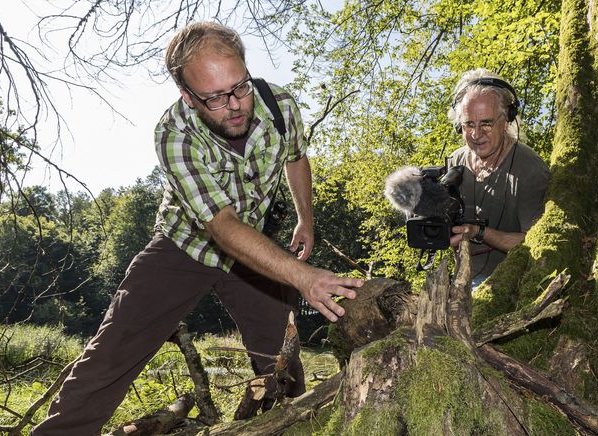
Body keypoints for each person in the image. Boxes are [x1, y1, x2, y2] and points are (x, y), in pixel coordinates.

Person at [31, 21, 363, 435]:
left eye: (240, 86)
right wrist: (303, 278)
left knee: (282, 362)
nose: (237, 104)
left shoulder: (279, 105)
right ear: (188, 97)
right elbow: (221, 226)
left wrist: (305, 218)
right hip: (184, 247)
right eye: (216, 98)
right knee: (111, 353)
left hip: (253, 250)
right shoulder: (174, 135)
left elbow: (296, 157)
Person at [447, 69, 550, 287]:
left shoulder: (529, 168)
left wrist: (479, 232)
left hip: (509, 285)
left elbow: (537, 242)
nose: (476, 134)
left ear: (507, 121)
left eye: (486, 123)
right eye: (468, 124)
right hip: (459, 279)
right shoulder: (455, 161)